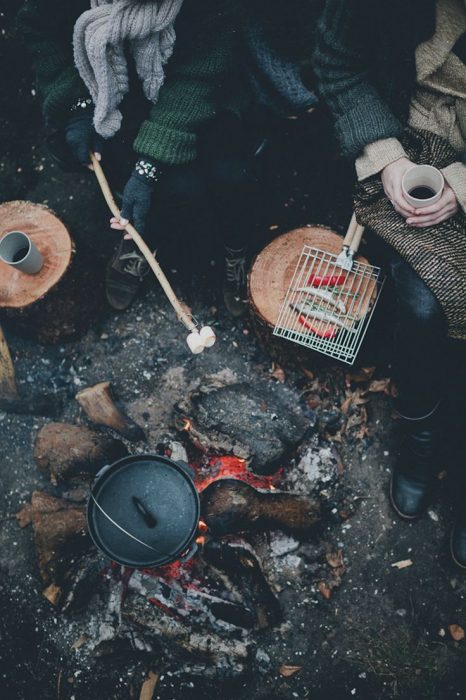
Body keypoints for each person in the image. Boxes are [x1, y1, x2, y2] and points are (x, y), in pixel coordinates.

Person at [314, 0, 466, 566]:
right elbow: (337, 62)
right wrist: (386, 156)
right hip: (413, 140)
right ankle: (423, 441)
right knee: (425, 305)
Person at [16, 0, 256, 316]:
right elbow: (43, 33)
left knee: (226, 178)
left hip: (196, 90)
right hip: (110, 90)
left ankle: (235, 249)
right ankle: (143, 238)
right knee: (124, 168)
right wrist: (78, 104)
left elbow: (202, 71)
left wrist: (149, 165)